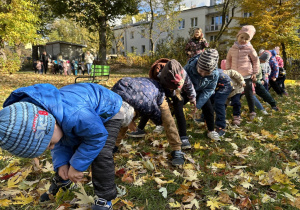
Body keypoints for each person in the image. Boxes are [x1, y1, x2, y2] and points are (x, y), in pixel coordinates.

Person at [0, 83, 135, 210]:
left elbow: (97, 135)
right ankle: (63, 180)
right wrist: (62, 164)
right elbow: (59, 140)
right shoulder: (50, 119)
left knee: (101, 153)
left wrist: (77, 166)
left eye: (50, 144)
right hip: (86, 116)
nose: (51, 148)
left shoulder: (76, 114)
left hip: (110, 110)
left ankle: (104, 198)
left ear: (48, 126)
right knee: (69, 141)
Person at [111, 76, 185, 166]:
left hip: (154, 93)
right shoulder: (111, 98)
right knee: (121, 121)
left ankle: (177, 149)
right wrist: (129, 121)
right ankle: (112, 145)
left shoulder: (147, 105)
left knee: (167, 120)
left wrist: (160, 121)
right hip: (134, 90)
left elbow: (155, 114)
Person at [128, 59, 197, 149]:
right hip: (160, 91)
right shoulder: (158, 75)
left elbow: (189, 86)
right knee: (150, 106)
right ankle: (140, 129)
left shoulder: (183, 73)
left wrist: (193, 98)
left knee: (179, 110)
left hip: (178, 92)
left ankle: (183, 137)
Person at [184, 49, 221, 141]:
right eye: (201, 71)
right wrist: (190, 95)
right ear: (197, 65)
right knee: (177, 103)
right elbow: (181, 80)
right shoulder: (189, 67)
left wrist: (198, 104)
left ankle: (211, 130)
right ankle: (162, 123)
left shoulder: (215, 74)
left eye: (207, 73)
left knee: (209, 109)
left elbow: (209, 89)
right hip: (187, 89)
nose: (203, 75)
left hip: (201, 90)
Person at [226, 25, 259, 120]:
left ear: (249, 40)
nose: (243, 40)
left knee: (248, 93)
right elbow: (228, 60)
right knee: (235, 93)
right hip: (235, 76)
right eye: (242, 37)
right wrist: (228, 70)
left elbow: (256, 61)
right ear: (238, 36)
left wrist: (254, 73)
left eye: (246, 39)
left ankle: (252, 110)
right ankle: (236, 113)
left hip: (246, 75)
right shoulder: (232, 49)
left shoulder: (250, 49)